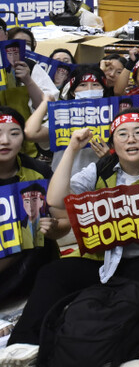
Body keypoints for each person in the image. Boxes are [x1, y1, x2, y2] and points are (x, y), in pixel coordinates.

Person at [10, 109, 139, 346]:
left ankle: (84, 330)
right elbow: (55, 199)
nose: (131, 139)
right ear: (113, 143)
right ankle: (22, 343)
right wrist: (72, 149)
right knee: (52, 274)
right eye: (122, 134)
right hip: (103, 258)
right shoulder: (99, 169)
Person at [0, 107, 65, 304]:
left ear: (23, 138)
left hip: (37, 271)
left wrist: (54, 228)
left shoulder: (39, 171)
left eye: (14, 133)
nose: (5, 140)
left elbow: (64, 221)